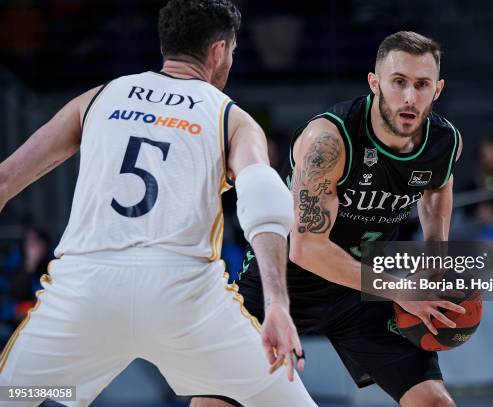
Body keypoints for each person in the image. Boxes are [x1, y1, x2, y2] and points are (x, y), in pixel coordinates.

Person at [0, 1, 316, 406]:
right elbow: (261, 194)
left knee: (19, 395)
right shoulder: (229, 116)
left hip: (87, 292)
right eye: (233, 53)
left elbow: (7, 179)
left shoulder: (100, 97)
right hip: (183, 301)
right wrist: (276, 304)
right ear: (219, 51)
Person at [194, 31, 464, 407]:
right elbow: (306, 249)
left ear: (437, 90)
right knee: (214, 403)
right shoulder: (329, 139)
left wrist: (436, 258)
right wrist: (402, 290)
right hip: (286, 284)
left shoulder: (444, 141)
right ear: (375, 83)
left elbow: (437, 186)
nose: (409, 97)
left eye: (422, 85)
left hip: (361, 290)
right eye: (398, 82)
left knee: (436, 403)